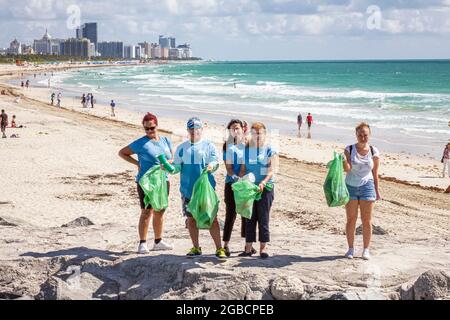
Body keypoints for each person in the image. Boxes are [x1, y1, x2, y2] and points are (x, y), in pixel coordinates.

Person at [171, 117, 227, 260]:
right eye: (191, 129)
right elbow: (177, 167)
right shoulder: (182, 148)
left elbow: (215, 162)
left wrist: (211, 166)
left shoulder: (209, 146)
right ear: (188, 130)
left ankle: (219, 248)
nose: (194, 131)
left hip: (206, 190)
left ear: (202, 130)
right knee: (191, 220)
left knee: (212, 219)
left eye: (197, 129)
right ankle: (196, 247)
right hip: (188, 190)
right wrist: (168, 167)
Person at [119, 113, 174, 253]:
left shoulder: (166, 141)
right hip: (146, 182)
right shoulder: (141, 143)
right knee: (146, 212)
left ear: (157, 126)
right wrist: (137, 163)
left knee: (160, 210)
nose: (150, 131)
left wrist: (167, 163)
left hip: (163, 180)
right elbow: (122, 153)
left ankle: (158, 241)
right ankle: (142, 243)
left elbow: (172, 159)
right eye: (146, 129)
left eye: (152, 128)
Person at [238, 122, 277, 259]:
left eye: (259, 133)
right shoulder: (247, 150)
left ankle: (263, 248)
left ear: (264, 134)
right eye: (254, 133)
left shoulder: (270, 149)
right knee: (249, 218)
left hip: (265, 188)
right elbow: (243, 169)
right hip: (250, 189)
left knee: (263, 218)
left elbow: (271, 171)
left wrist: (263, 182)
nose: (257, 136)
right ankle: (248, 248)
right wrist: (240, 180)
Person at [343, 123, 381, 261]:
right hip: (350, 186)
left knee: (366, 220)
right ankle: (351, 249)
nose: (363, 137)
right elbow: (347, 169)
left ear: (369, 135)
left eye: (365, 134)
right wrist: (343, 161)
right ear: (356, 135)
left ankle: (366, 250)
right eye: (360, 134)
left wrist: (377, 191)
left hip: (367, 186)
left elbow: (375, 173)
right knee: (351, 219)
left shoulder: (374, 150)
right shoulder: (349, 149)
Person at [222, 119, 249, 257]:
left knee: (245, 214)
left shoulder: (247, 145)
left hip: (244, 184)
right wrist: (235, 178)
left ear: (242, 129)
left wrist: (242, 179)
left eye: (237, 128)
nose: (235, 130)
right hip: (231, 184)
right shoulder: (228, 146)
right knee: (231, 214)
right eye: (232, 128)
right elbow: (229, 167)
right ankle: (225, 245)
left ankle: (247, 246)